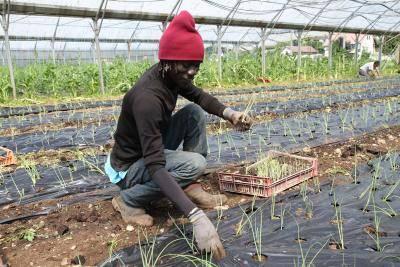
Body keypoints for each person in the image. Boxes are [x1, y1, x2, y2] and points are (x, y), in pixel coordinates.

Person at [104, 11, 252, 259]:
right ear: (167, 61)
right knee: (195, 163)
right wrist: (196, 216)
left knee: (193, 112)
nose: (192, 72)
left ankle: (189, 184)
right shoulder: (147, 99)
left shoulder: (172, 73)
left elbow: (199, 96)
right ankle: (127, 200)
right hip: (128, 166)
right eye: (187, 65)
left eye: (197, 66)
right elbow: (155, 165)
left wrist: (230, 113)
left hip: (150, 147)